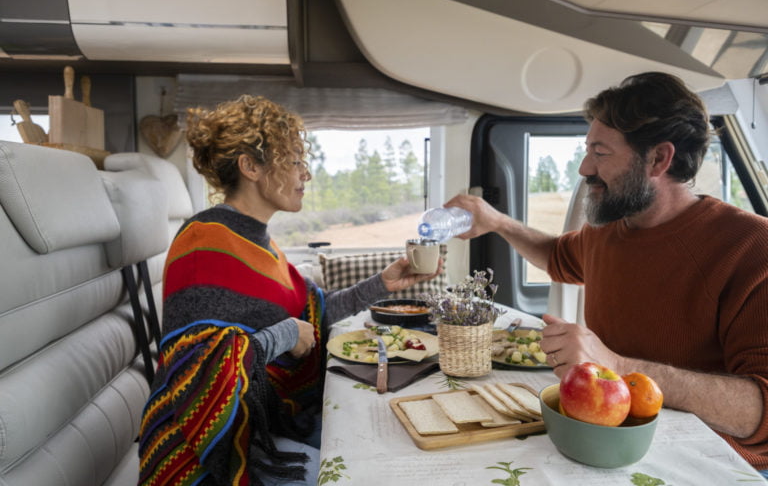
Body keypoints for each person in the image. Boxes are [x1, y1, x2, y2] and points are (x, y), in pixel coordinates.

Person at [446, 72, 768, 470]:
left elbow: (760, 410)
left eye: (600, 153)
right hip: (609, 444)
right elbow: (556, 257)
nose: (584, 168)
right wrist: (496, 222)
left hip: (706, 463)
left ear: (658, 159)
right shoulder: (608, 231)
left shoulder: (752, 247)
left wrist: (617, 367)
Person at [137, 94, 441, 486]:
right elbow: (197, 370)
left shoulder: (261, 243)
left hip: (266, 423)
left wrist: (383, 284)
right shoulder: (205, 242)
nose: (306, 175)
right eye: (295, 161)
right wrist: (284, 334)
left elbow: (312, 316)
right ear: (250, 167)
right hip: (209, 454)